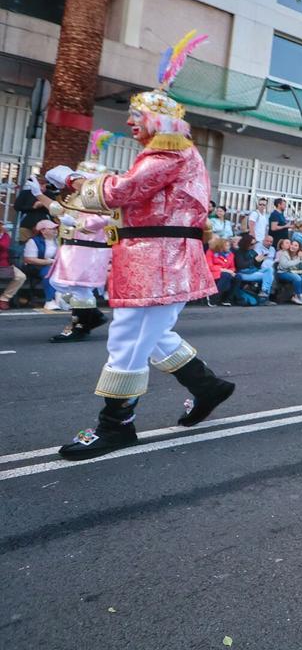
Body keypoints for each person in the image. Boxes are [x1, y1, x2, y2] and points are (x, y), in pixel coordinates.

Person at [57, 31, 235, 460]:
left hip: (158, 260)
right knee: (150, 336)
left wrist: (75, 182)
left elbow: (123, 191)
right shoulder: (166, 152)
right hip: (151, 258)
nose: (129, 122)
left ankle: (115, 425)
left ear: (159, 118)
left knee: (129, 339)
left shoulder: (170, 151)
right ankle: (207, 386)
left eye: (137, 115)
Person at [41, 146, 117, 342]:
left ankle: (80, 326)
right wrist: (40, 196)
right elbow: (62, 208)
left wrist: (76, 223)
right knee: (66, 285)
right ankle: (91, 318)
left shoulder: (101, 196)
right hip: (74, 247)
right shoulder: (78, 196)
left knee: (79, 288)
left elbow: (105, 219)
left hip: (89, 248)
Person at [23, 219, 60, 310]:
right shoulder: (33, 241)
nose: (55, 230)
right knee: (49, 272)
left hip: (52, 265)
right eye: (52, 228)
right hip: (35, 267)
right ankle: (49, 300)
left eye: (56, 228)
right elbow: (29, 259)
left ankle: (61, 299)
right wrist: (48, 262)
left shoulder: (58, 241)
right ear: (43, 231)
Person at [233, 233, 274, 305]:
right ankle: (265, 296)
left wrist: (260, 260)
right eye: (251, 244)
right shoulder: (239, 252)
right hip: (243, 273)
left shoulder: (252, 251)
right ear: (246, 243)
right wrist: (254, 260)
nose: (254, 246)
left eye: (254, 244)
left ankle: (264, 291)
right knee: (268, 276)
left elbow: (257, 266)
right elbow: (241, 265)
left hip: (253, 271)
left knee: (269, 270)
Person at [274, 238, 302, 305]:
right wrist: (297, 260)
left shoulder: (300, 255)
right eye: (292, 244)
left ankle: (299, 295)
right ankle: (298, 296)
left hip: (295, 272)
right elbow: (284, 265)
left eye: (296, 245)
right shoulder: (284, 253)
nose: (293, 246)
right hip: (283, 272)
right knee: (297, 278)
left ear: (299, 248)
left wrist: (301, 258)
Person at [0, 222, 27, 310]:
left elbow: (4, 246)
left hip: (4, 263)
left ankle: (4, 298)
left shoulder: (5, 235)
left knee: (21, 276)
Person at [205, 237, 239, 306]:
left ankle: (226, 299)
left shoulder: (230, 254)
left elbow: (232, 267)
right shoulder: (210, 252)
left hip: (226, 272)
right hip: (213, 272)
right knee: (226, 275)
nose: (228, 247)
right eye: (226, 245)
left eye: (229, 245)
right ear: (221, 246)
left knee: (238, 277)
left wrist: (231, 271)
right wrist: (225, 270)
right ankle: (213, 298)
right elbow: (210, 266)